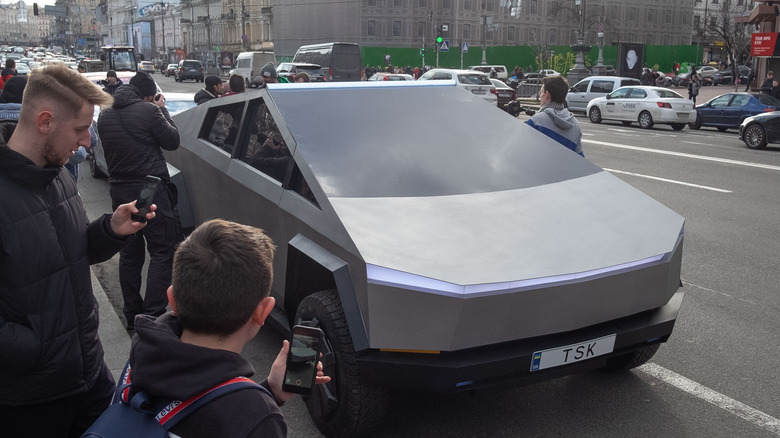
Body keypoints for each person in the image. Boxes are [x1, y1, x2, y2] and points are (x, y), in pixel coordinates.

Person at [0, 64, 155, 437]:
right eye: (80, 128)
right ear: (45, 121)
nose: (87, 141)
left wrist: (111, 230)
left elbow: (68, 254)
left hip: (88, 376)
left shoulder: (56, 177)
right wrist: (36, 349)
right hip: (29, 401)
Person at [126, 219, 330, 437]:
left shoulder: (141, 360)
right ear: (263, 312)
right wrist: (264, 399)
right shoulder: (258, 417)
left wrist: (270, 391)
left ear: (172, 299)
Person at [97, 71, 182, 331]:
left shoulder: (105, 114)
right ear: (148, 95)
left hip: (119, 189)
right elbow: (173, 141)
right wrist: (162, 110)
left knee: (130, 253)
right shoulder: (149, 111)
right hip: (149, 189)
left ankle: (132, 314)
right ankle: (152, 316)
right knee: (161, 251)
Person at [525, 75, 584, 157]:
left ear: (547, 94)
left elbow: (520, 150)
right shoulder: (575, 125)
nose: (540, 96)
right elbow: (580, 159)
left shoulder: (536, 121)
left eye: (541, 92)